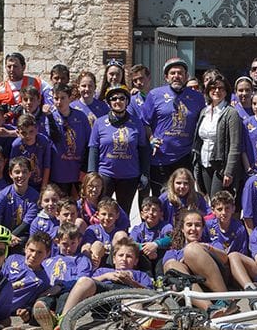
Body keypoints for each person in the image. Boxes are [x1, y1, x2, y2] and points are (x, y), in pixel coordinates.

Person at [142, 57, 206, 195]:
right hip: (160, 157)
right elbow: (145, 123)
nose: (176, 76)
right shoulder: (154, 95)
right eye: (172, 73)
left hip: (185, 157)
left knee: (184, 199)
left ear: (186, 76)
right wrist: (151, 138)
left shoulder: (197, 97)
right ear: (166, 77)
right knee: (162, 200)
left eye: (180, 73)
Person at [163, 209, 238, 317]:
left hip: (216, 285)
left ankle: (226, 300)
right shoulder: (172, 252)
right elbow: (169, 269)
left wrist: (205, 248)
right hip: (193, 290)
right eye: (189, 225)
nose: (193, 229)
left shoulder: (212, 244)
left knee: (191, 250)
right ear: (183, 229)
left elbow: (225, 259)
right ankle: (209, 308)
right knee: (172, 266)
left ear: (203, 228)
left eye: (197, 225)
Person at [89, 84, 150, 215]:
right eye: (114, 98)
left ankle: (123, 235)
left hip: (129, 176)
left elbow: (143, 149)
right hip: (106, 175)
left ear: (127, 101)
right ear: (109, 102)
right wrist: (92, 174)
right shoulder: (99, 123)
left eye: (122, 98)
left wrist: (144, 173)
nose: (118, 101)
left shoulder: (136, 122)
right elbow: (93, 149)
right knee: (102, 212)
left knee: (123, 213)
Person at [194, 75, 245, 198]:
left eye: (221, 88)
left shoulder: (231, 113)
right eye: (213, 87)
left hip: (221, 166)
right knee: (209, 199)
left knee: (218, 200)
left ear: (226, 91)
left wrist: (229, 171)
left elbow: (235, 145)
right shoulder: (204, 112)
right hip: (204, 163)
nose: (217, 91)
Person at [0, 156, 40, 252]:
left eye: (24, 172)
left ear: (30, 174)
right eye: (17, 172)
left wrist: (11, 237)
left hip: (23, 236)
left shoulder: (34, 196)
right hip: (5, 235)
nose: (21, 175)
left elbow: (26, 224)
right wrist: (7, 236)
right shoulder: (4, 193)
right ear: (10, 174)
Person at [46, 83, 91, 197]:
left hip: (78, 170)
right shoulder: (50, 117)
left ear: (70, 98)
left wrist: (85, 168)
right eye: (56, 98)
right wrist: (50, 117)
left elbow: (89, 144)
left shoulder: (81, 117)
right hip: (59, 172)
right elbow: (54, 138)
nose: (59, 102)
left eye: (63, 98)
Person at [11, 113, 51, 191]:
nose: (28, 136)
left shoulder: (43, 141)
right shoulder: (16, 145)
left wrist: (43, 187)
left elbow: (47, 166)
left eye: (31, 131)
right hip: (23, 183)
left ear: (36, 129)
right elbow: (13, 167)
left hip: (40, 182)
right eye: (24, 133)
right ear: (18, 132)